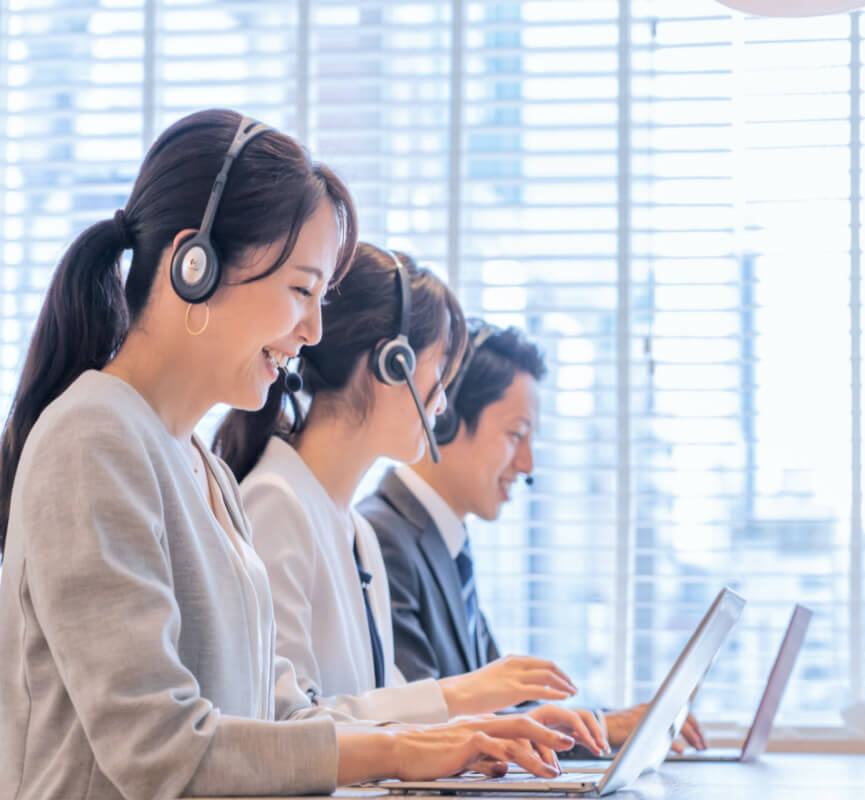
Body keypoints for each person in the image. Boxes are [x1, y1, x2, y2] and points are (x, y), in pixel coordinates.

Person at [0, 109, 572, 800]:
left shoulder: (201, 468)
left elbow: (280, 717)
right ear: (195, 266)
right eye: (302, 290)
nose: (314, 329)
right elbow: (157, 750)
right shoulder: (94, 438)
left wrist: (434, 745)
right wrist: (401, 749)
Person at [213, 243, 606, 757]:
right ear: (390, 365)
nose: (441, 402)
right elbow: (286, 728)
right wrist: (467, 694)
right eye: (439, 372)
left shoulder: (354, 529)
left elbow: (386, 705)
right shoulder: (274, 503)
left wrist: (503, 726)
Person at [358, 320, 708, 753]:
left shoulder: (445, 543)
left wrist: (609, 727)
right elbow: (426, 725)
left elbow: (505, 710)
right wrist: (602, 725)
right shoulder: (380, 537)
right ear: (445, 417)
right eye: (515, 435)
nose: (526, 465)